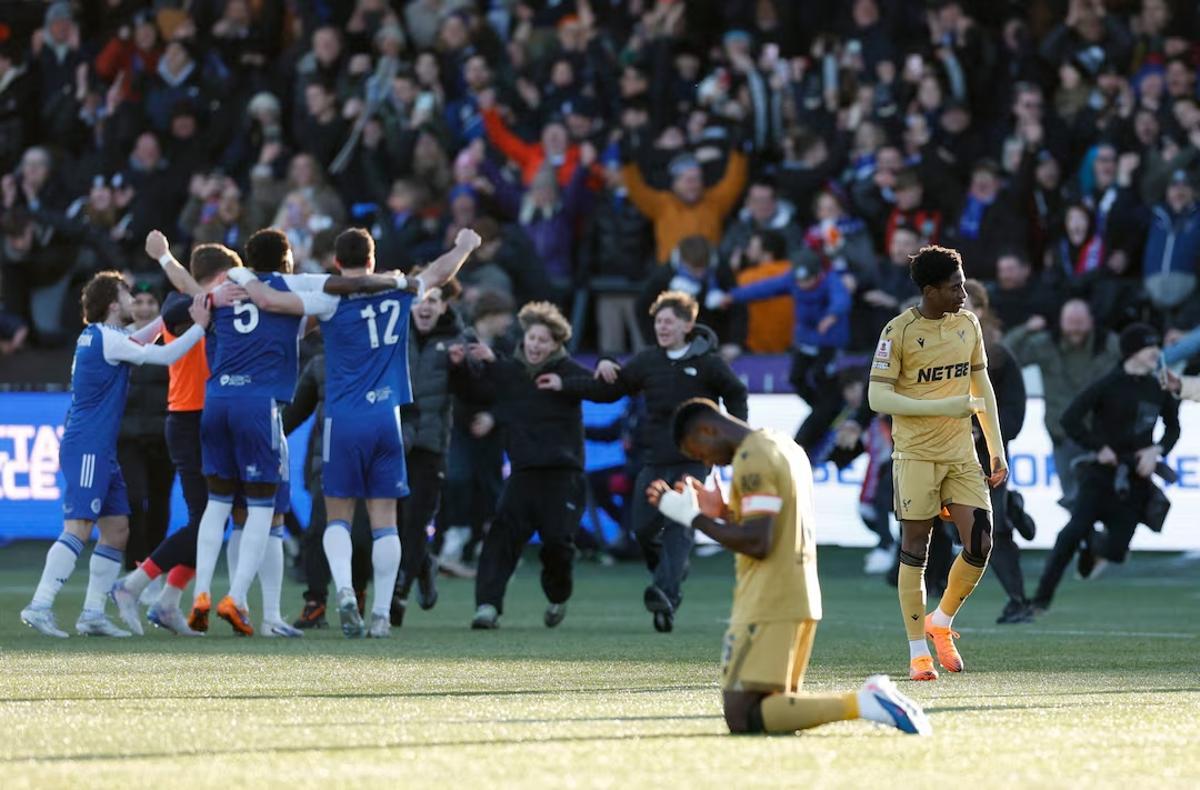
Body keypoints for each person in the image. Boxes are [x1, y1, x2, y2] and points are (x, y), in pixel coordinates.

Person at [232, 227, 483, 638]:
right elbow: (438, 273)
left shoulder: (329, 298)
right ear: (372, 259)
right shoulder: (398, 292)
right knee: (386, 522)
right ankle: (381, 614)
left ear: (336, 263)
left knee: (338, 518)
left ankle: (346, 592)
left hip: (343, 420)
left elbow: (271, 300)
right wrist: (465, 246)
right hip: (387, 417)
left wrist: (240, 276)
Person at [153, 228, 405, 635]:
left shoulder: (228, 287)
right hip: (259, 405)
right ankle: (236, 597)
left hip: (215, 402)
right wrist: (398, 281)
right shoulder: (294, 288)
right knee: (262, 507)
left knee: (217, 503)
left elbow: (182, 298)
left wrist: (166, 259)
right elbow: (347, 286)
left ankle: (201, 593)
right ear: (286, 258)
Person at [645, 398, 931, 736]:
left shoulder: (753, 458)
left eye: (699, 451)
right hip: (798, 592)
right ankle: (866, 703)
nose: (705, 461)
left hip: (769, 598)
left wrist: (690, 517)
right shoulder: (785, 446)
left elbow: (758, 541)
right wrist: (722, 513)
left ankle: (867, 702)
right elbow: (772, 524)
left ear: (708, 429)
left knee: (740, 714)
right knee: (764, 709)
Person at [20, 272, 209, 638]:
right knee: (78, 527)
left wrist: (168, 317)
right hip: (87, 445)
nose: (133, 300)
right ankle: (40, 605)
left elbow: (142, 336)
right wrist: (198, 326)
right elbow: (166, 353)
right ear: (112, 304)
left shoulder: (103, 337)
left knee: (117, 529)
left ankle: (93, 613)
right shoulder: (108, 338)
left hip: (101, 448)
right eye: (126, 294)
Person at [551, 291, 748, 632]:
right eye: (658, 322)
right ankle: (669, 572)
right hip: (655, 461)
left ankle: (665, 593)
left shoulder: (709, 363)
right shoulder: (647, 361)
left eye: (669, 322)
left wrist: (737, 437)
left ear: (687, 325)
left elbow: (736, 393)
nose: (662, 327)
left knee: (680, 526)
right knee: (642, 528)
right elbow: (610, 389)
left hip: (695, 461)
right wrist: (566, 384)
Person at [867, 246, 1007, 682]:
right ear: (930, 291)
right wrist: (944, 405)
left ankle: (940, 621)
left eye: (963, 283)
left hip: (961, 455)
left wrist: (996, 447)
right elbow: (877, 397)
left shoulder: (968, 324)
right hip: (915, 456)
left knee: (981, 542)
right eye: (954, 287)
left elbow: (981, 384)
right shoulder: (899, 332)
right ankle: (917, 656)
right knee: (915, 550)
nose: (963, 293)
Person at [453, 302, 594, 630]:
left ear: (556, 344)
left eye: (543, 341)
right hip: (523, 475)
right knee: (501, 538)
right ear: (524, 338)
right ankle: (487, 606)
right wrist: (463, 367)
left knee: (558, 544)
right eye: (532, 338)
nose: (535, 345)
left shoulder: (568, 371)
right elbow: (475, 392)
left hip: (563, 477)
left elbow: (605, 390)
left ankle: (558, 595)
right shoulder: (509, 371)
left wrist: (566, 385)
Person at [1031, 323, 1180, 612]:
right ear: (1132, 352)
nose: (1155, 352)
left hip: (1135, 479)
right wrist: (1098, 448)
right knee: (1070, 534)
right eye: (1149, 346)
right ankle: (1040, 600)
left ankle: (1095, 545)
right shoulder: (1108, 383)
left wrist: (1157, 450)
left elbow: (1173, 428)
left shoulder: (1159, 386)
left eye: (1156, 346)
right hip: (1099, 476)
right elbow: (1070, 419)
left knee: (1117, 551)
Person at [392, 274, 464, 627]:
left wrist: (467, 365)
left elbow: (479, 384)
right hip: (393, 441)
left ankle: (399, 593)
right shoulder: (394, 334)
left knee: (416, 521)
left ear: (444, 307)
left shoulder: (457, 340)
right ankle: (424, 566)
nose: (425, 306)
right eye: (421, 299)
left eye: (433, 300)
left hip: (431, 445)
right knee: (396, 520)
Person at [961, 280, 1032, 625]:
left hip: (987, 455)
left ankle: (1018, 600)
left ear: (982, 310)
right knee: (936, 524)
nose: (962, 311)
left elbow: (1015, 413)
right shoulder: (931, 350)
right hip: (943, 451)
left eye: (969, 305)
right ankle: (932, 602)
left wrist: (985, 431)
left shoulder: (1000, 358)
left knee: (995, 529)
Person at [1004, 300, 1120, 505]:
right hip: (1063, 435)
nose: (1075, 327)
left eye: (1080, 321)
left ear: (1091, 321)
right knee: (1073, 499)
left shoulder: (1109, 345)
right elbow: (1003, 355)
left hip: (1104, 435)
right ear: (1060, 322)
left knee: (1112, 499)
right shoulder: (1045, 345)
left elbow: (1142, 362)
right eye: (1070, 321)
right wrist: (1026, 329)